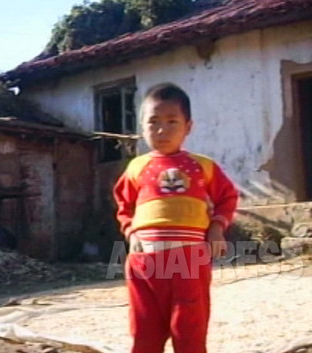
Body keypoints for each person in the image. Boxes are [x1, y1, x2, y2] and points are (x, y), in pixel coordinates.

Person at [113, 82, 238, 353]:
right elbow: (124, 204)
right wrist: (131, 232)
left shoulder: (203, 166)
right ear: (142, 126)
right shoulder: (136, 167)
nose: (162, 130)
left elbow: (227, 198)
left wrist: (217, 227)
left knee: (189, 330)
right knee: (144, 332)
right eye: (153, 122)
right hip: (144, 261)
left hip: (189, 259)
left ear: (188, 126)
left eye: (172, 122)